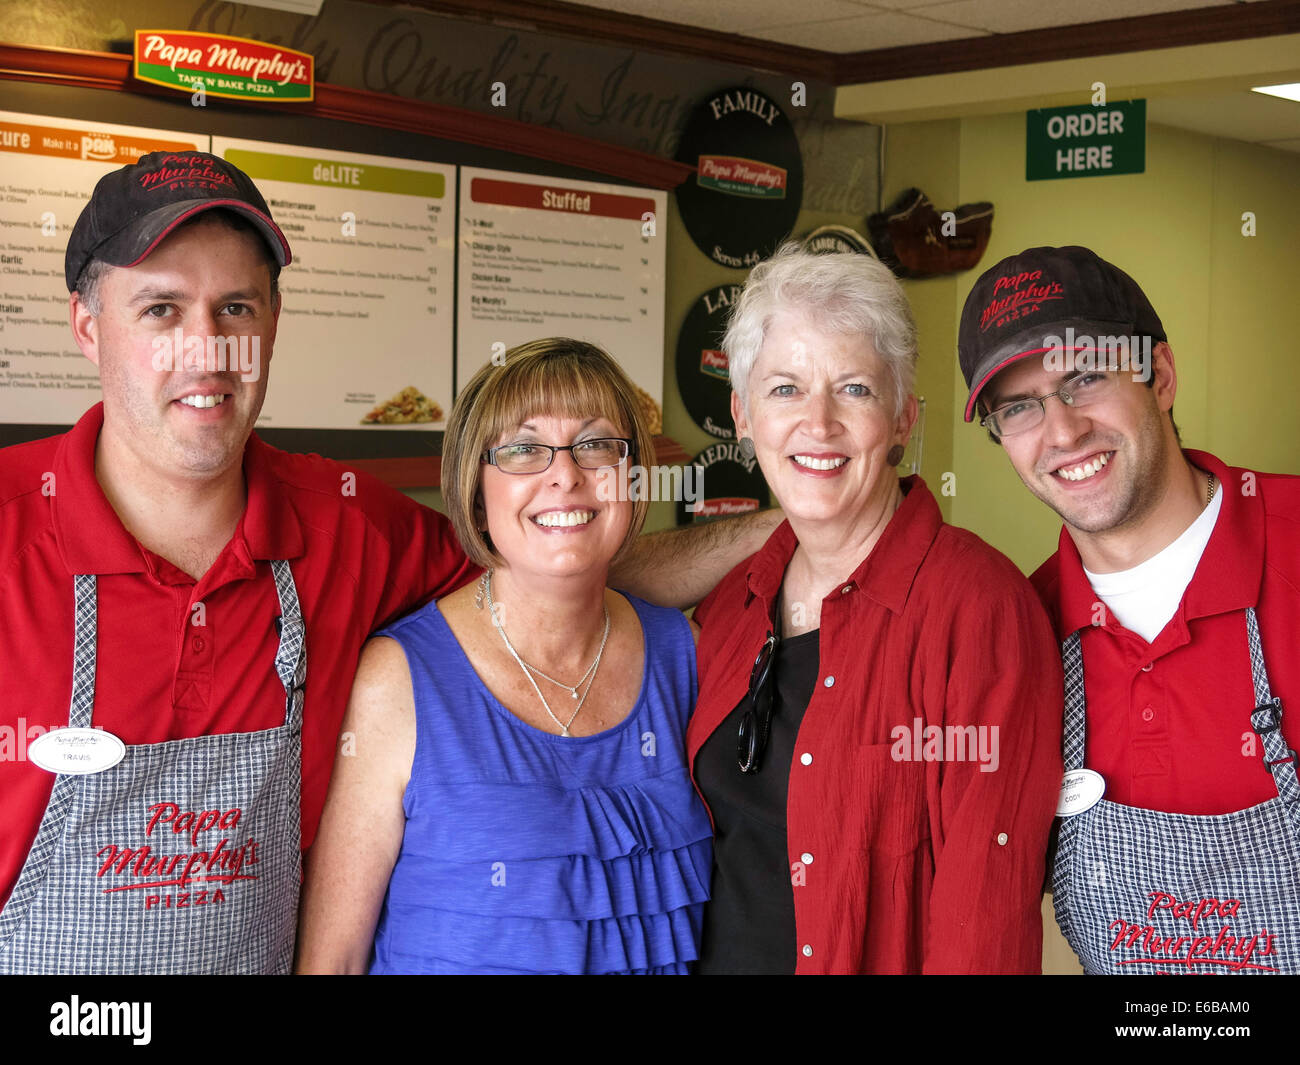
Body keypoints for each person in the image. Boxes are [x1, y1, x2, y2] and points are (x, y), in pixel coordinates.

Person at [0, 152, 772, 975]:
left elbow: (551, 568)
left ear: (273, 321)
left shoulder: (348, 526)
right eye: (161, 310)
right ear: (87, 325)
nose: (208, 351)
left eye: (235, 309)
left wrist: (792, 528)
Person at [688, 243, 1063, 974]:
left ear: (902, 418)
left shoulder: (980, 610)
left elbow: (981, 922)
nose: (818, 422)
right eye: (785, 388)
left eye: (854, 389)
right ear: (741, 413)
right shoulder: (729, 607)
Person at [295, 339, 711, 974]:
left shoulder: (689, 656)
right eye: (522, 448)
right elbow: (334, 961)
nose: (564, 475)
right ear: (476, 486)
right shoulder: (401, 679)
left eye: (597, 444)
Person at [959, 244, 1300, 974]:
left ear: (1161, 376)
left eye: (1085, 378)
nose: (1062, 431)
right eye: (1018, 407)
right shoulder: (1021, 632)